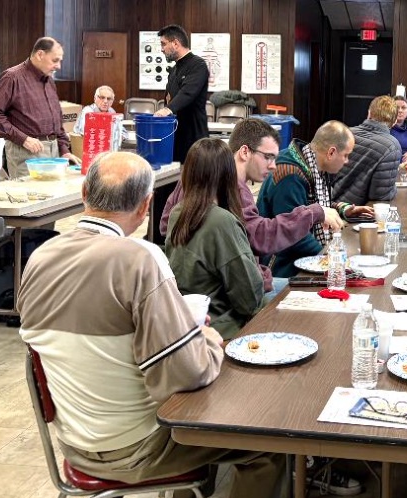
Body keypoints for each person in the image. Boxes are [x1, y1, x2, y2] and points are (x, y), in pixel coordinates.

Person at [17, 151, 283, 498]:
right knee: (264, 447)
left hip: (72, 440)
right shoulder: (140, 260)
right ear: (144, 207)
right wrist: (207, 339)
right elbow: (184, 373)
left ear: (84, 191)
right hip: (134, 446)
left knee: (195, 407)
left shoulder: (40, 258)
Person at [160, 118, 344, 298]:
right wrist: (314, 213)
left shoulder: (196, 178)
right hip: (223, 296)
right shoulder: (233, 187)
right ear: (245, 152)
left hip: (192, 291)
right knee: (314, 294)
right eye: (268, 157)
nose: (273, 166)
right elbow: (260, 237)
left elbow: (165, 225)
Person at [164, 138, 265, 340]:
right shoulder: (222, 221)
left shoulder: (177, 213)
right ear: (228, 175)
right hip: (223, 327)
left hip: (185, 322)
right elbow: (249, 300)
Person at [256, 120, 374, 278]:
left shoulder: (310, 162)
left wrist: (342, 210)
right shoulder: (290, 175)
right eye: (346, 155)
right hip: (281, 268)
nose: (347, 161)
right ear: (331, 152)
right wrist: (329, 257)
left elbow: (311, 205)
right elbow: (293, 232)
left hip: (298, 258)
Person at [0, 37, 81, 178]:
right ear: (40, 54)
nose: (59, 66)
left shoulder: (49, 81)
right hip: (26, 152)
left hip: (54, 152)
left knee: (54, 197)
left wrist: (64, 149)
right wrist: (23, 139)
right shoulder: (12, 77)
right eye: (55, 60)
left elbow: (56, 121)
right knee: (32, 198)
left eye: (60, 61)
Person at [332, 95, 402, 205]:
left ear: (369, 113)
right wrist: (393, 188)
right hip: (355, 214)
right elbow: (380, 196)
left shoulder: (345, 133)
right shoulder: (392, 146)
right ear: (394, 122)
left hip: (328, 208)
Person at [154, 24, 209, 162]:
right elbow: (169, 98)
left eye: (163, 44)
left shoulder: (198, 65)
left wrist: (168, 109)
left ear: (176, 43)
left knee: (193, 182)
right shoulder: (173, 70)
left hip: (194, 140)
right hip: (175, 137)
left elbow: (187, 93)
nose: (161, 49)